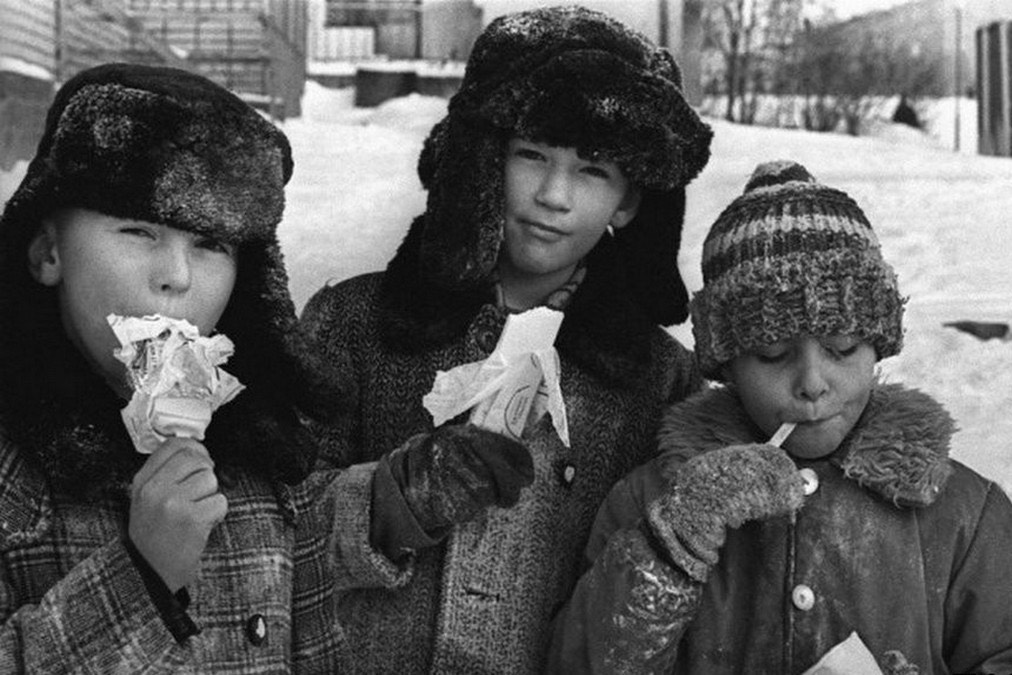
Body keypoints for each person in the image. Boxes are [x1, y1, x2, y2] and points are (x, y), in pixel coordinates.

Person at [296, 5, 713, 673]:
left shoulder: (660, 383)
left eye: (593, 170)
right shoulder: (353, 325)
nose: (554, 194)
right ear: (484, 156)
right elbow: (260, 536)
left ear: (631, 199)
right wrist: (387, 503)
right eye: (532, 155)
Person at [0, 63, 407, 673]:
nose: (178, 276)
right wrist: (143, 581)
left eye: (211, 244)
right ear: (48, 251)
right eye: (139, 231)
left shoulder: (261, 451)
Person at [547, 160, 1012, 674]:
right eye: (772, 354)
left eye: (843, 347)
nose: (812, 382)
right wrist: (668, 548)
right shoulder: (651, 504)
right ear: (727, 363)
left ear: (878, 347)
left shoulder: (964, 515)